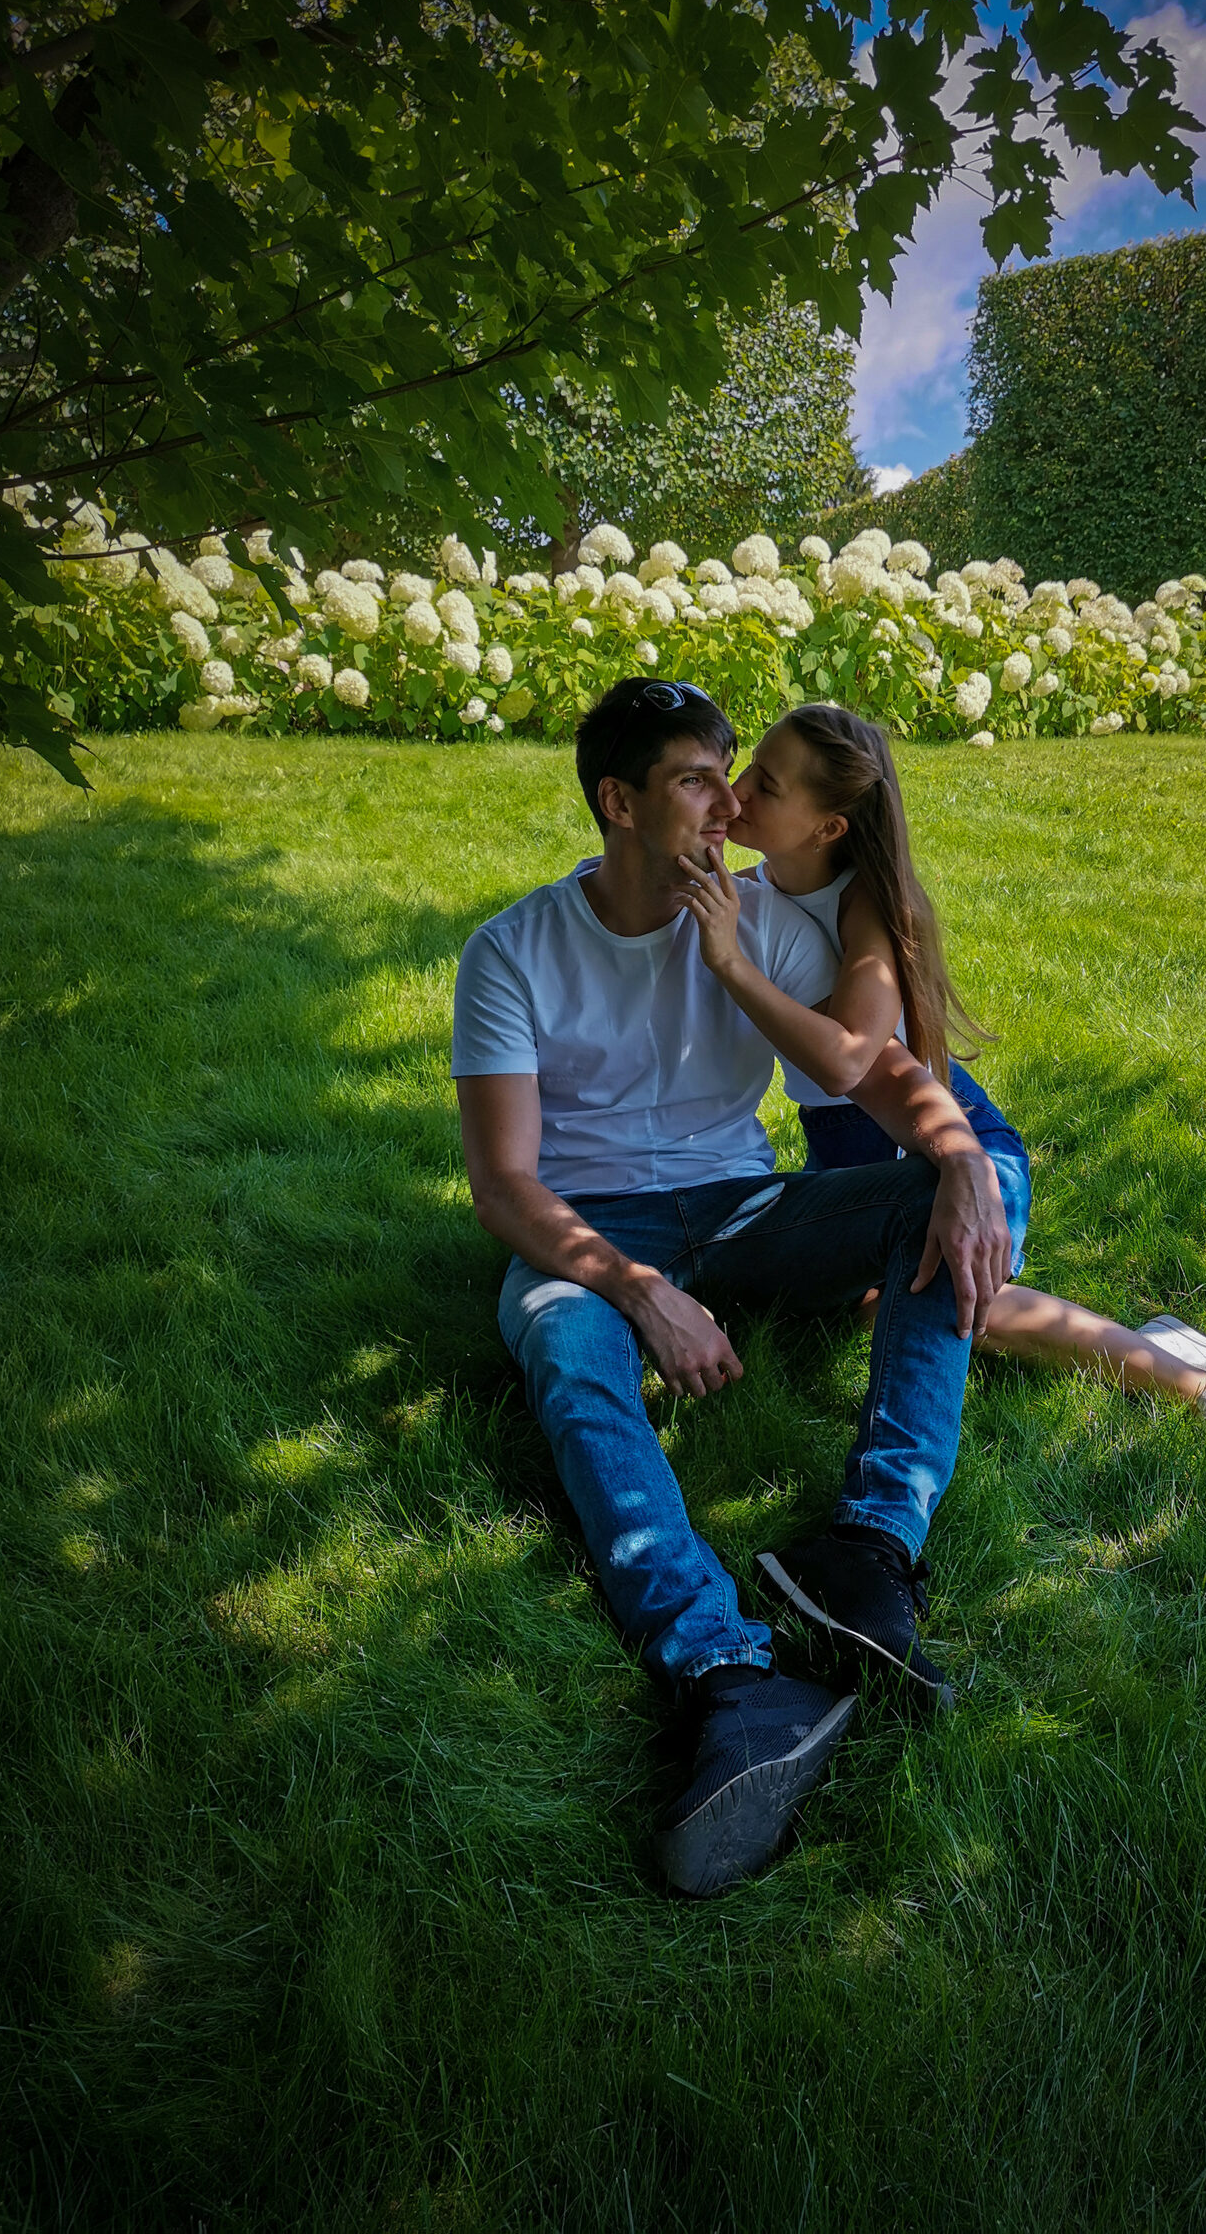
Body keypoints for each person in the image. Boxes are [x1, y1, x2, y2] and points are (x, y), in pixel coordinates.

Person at [452, 678, 1026, 1899]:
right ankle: (728, 1674)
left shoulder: (757, 921)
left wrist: (964, 1158)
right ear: (620, 802)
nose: (731, 804)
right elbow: (504, 1187)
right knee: (564, 1348)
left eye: (736, 775)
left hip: (746, 1207)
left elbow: (882, 1074)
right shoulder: (512, 950)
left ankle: (872, 1547)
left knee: (942, 1196)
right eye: (698, 781)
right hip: (589, 1230)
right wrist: (639, 1290)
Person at [673, 702, 1206, 1492]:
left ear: (828, 828)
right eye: (747, 768)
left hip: (949, 1142)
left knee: (929, 1300)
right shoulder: (756, 890)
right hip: (846, 1150)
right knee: (835, 1304)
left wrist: (734, 963)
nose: (736, 793)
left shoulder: (864, 904)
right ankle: (1165, 1347)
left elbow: (847, 1060)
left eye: (766, 785)